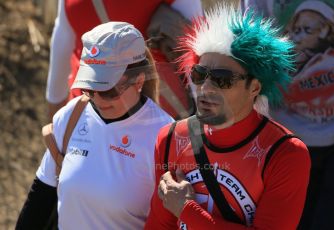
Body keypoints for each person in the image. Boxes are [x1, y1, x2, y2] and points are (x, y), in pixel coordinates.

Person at [144, 4, 311, 230]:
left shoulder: (286, 153)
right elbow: (159, 225)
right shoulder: (170, 138)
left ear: (254, 87)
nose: (205, 88)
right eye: (200, 74)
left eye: (223, 79)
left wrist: (186, 209)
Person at [16, 22, 174, 230]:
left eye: (108, 90)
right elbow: (40, 200)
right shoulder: (73, 114)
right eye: (89, 88)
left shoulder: (166, 136)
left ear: (139, 80)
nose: (98, 99)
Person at [245, 0, 334, 229]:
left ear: (327, 31)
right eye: (296, 30)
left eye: (307, 30)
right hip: (286, 136)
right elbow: (252, 50)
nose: (298, 37)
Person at [46, 0, 203, 121]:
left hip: (91, 110)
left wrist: (55, 113)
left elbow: (63, 40)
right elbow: (197, 50)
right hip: (154, 114)